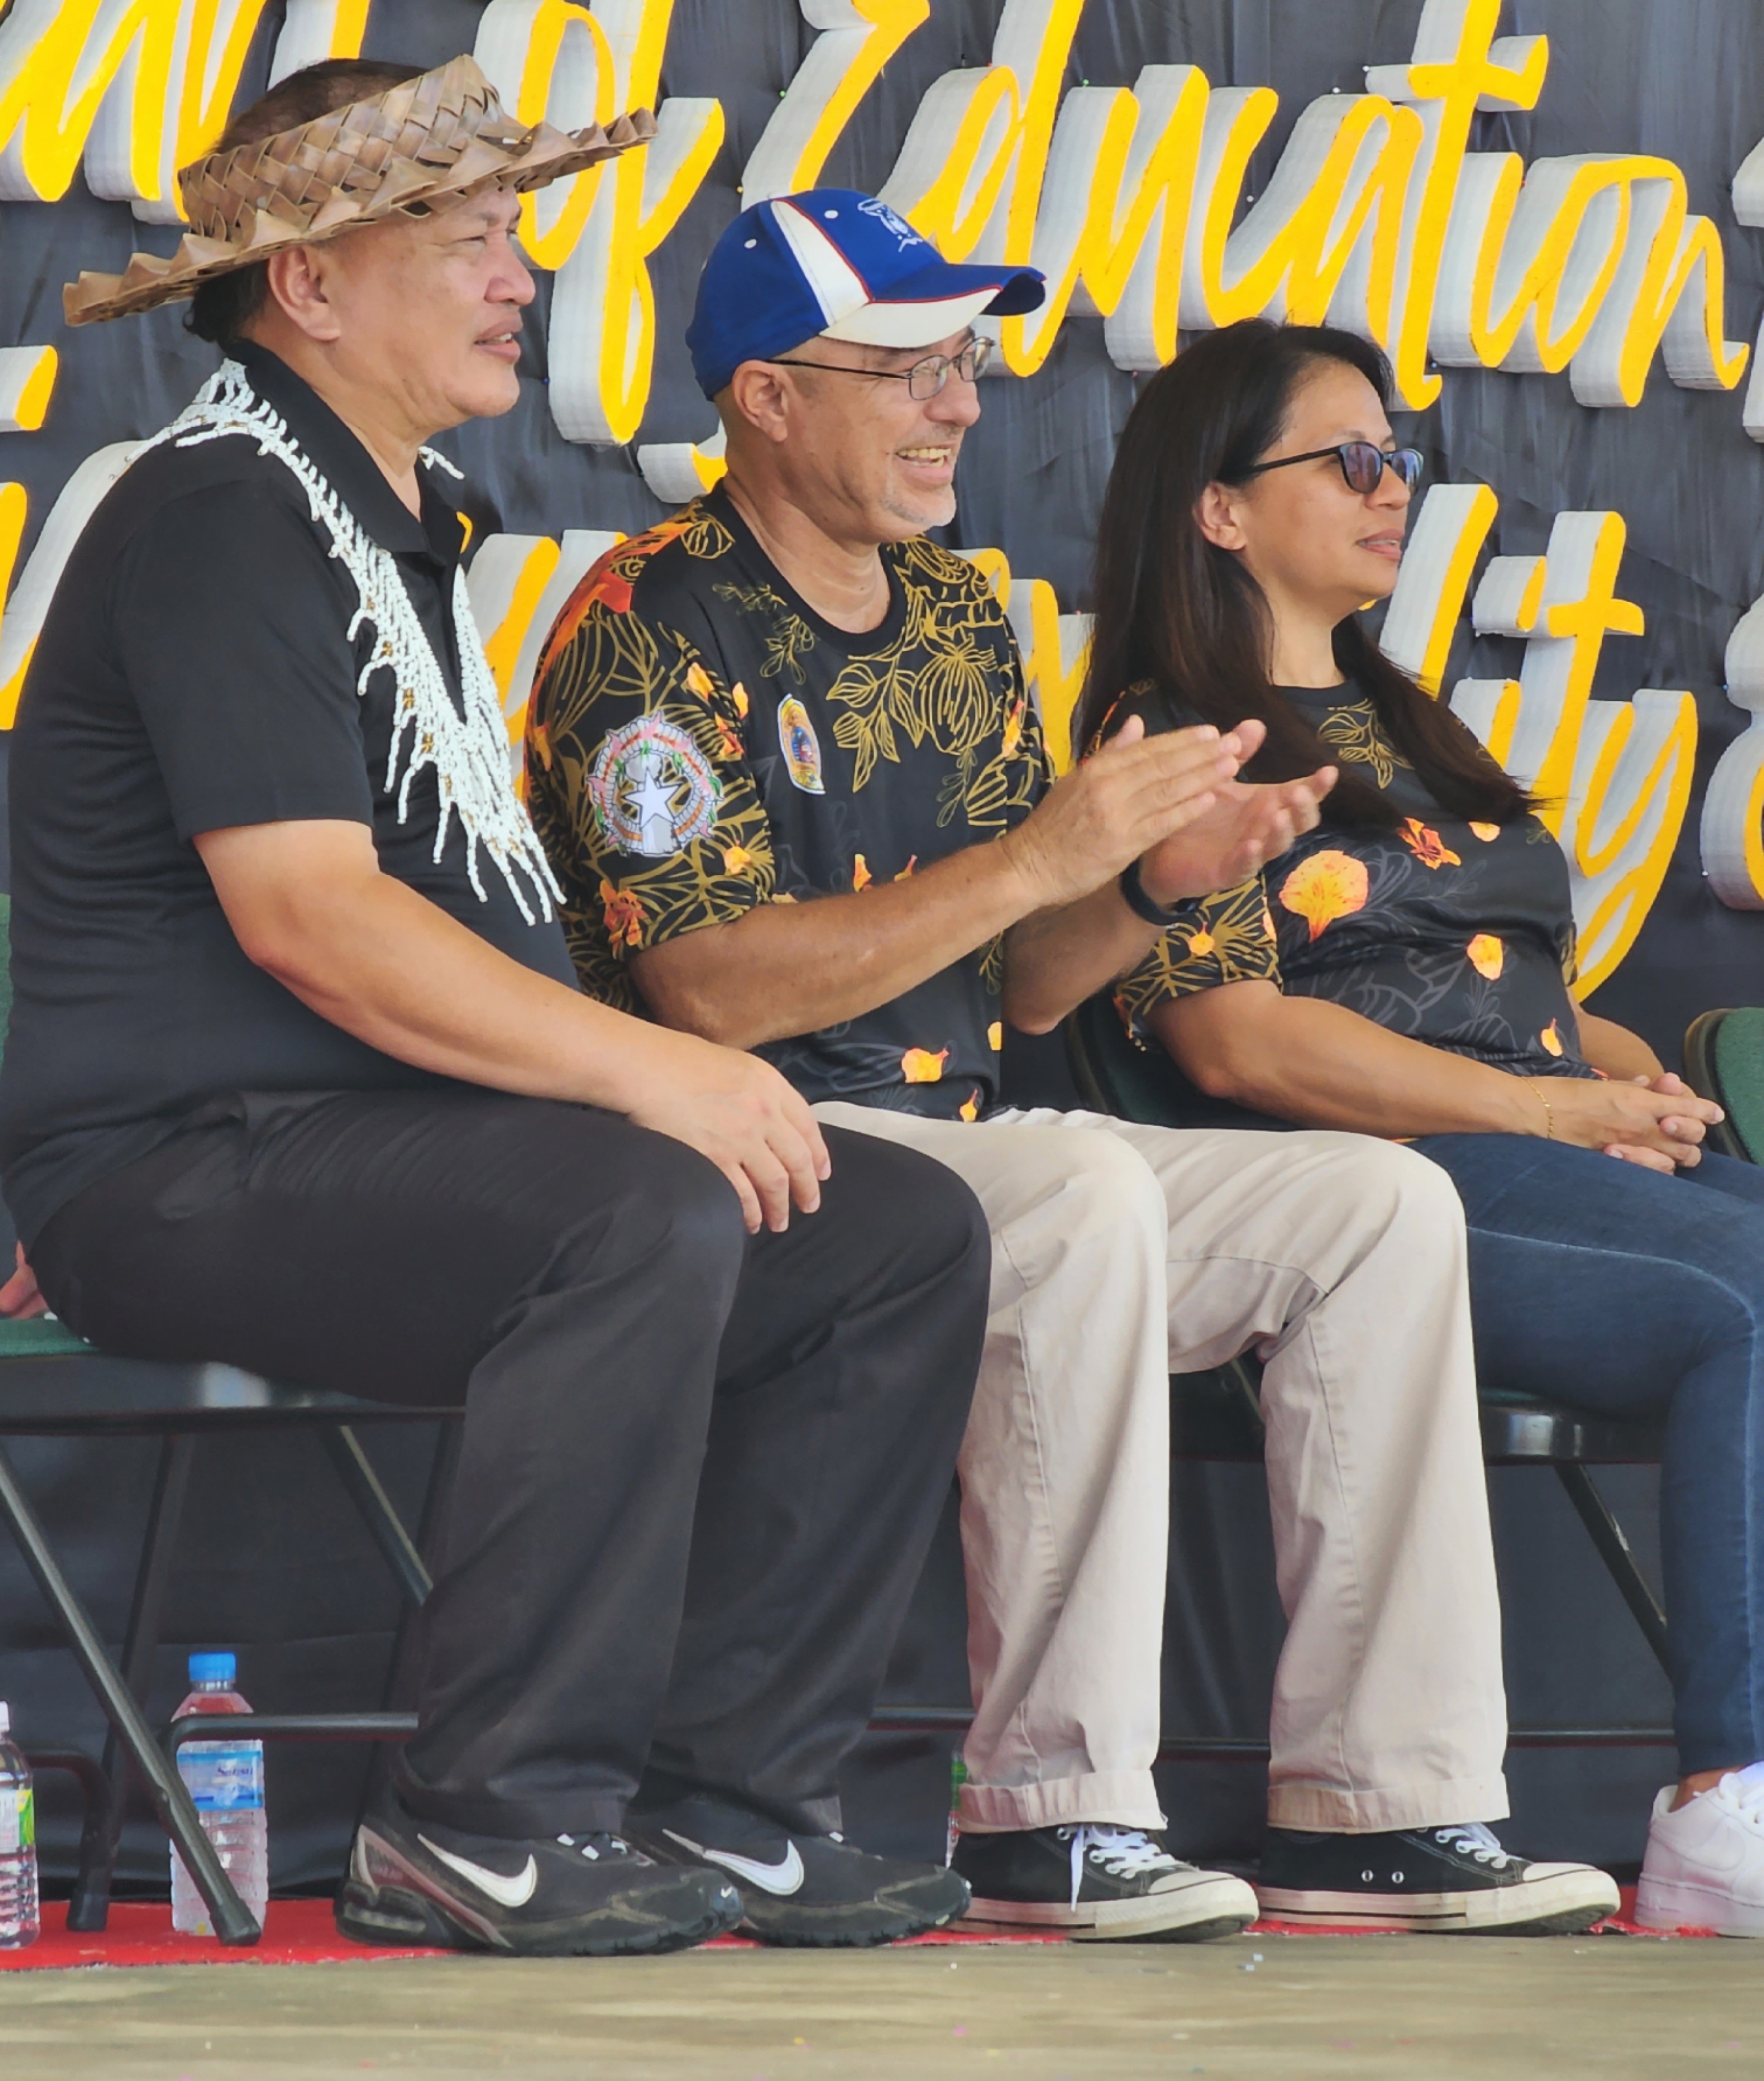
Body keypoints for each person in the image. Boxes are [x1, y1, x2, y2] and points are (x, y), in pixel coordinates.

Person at [524, 187, 1620, 1938]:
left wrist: (1156, 885)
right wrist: (1051, 856)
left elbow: (1031, 983)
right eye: (906, 366)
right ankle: (1057, 1809)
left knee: (1379, 1209)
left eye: (963, 361)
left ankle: (1378, 1803)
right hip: (761, 1161)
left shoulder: (955, 615)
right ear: (767, 398)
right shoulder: (647, 623)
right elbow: (711, 992)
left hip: (973, 1144)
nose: (959, 401)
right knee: (1085, 1178)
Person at [0, 62, 994, 1957]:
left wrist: (654, 1088)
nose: (518, 276)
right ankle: (486, 1817)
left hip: (342, 1152)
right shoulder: (216, 510)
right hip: (189, 1166)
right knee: (646, 1202)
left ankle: (739, 1808)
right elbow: (309, 923)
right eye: (469, 239)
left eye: (514, 235)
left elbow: (461, 923)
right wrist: (663, 1073)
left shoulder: (401, 519)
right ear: (308, 286)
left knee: (894, 1235)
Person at [1077, 313, 1764, 1938]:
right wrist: (1545, 1102)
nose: (1394, 488)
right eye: (1353, 459)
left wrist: (1624, 1085)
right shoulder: (1179, 744)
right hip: (1377, 1188)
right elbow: (1239, 1043)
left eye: (1403, 459)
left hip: (1542, 1141)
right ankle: (1727, 1807)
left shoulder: (1406, 721)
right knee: (1748, 1307)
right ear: (1221, 507)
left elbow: (1518, 992)